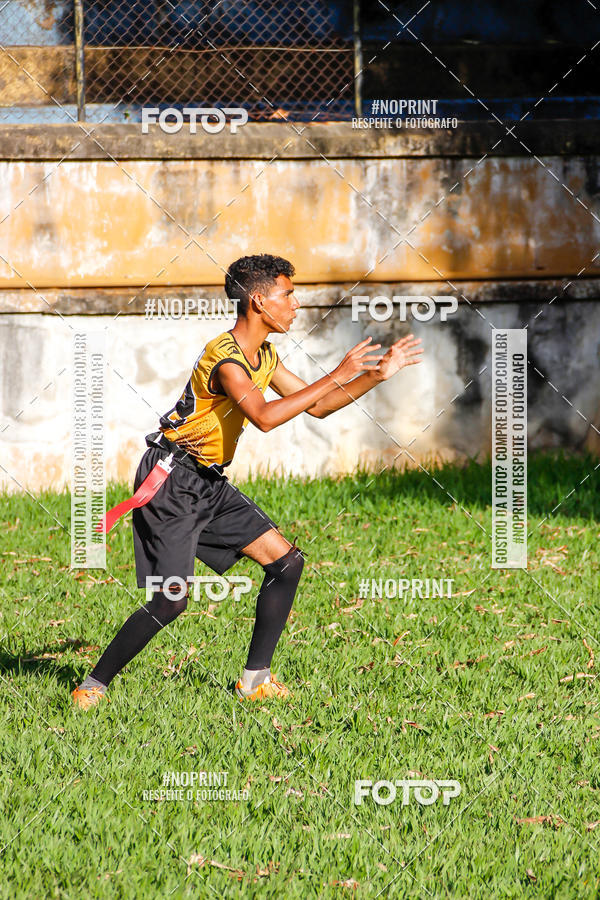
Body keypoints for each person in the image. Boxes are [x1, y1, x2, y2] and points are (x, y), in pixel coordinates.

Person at [71, 254, 423, 709]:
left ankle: (254, 681)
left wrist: (374, 375)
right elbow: (264, 417)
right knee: (172, 600)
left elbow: (316, 406)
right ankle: (92, 686)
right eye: (288, 294)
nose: (296, 304)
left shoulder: (265, 355)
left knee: (286, 563)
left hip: (208, 484)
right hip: (171, 480)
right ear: (258, 301)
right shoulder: (227, 360)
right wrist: (336, 372)